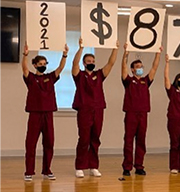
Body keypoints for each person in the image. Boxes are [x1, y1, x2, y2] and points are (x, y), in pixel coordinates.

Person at [21, 42, 68, 181]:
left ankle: (47, 170)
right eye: (40, 64)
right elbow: (24, 68)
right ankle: (29, 171)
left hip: (48, 114)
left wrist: (64, 55)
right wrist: (25, 55)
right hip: (35, 114)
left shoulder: (50, 77)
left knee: (49, 143)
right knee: (31, 144)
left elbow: (60, 68)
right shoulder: (31, 78)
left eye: (44, 63)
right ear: (35, 65)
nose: (43, 65)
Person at [72, 38, 119, 178]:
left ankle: (93, 166)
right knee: (84, 139)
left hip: (98, 109)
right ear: (84, 63)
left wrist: (115, 48)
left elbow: (111, 63)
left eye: (93, 61)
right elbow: (74, 64)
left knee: (95, 138)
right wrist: (81, 48)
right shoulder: (79, 75)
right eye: (88, 61)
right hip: (84, 110)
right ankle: (80, 167)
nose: (91, 63)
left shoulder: (99, 75)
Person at [121, 43, 162, 176]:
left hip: (143, 113)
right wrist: (126, 54)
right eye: (137, 67)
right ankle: (127, 167)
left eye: (141, 67)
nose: (140, 69)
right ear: (132, 70)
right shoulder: (128, 80)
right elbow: (123, 68)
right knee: (128, 140)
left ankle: (139, 166)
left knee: (141, 140)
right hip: (131, 113)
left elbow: (155, 68)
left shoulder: (146, 80)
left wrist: (158, 53)